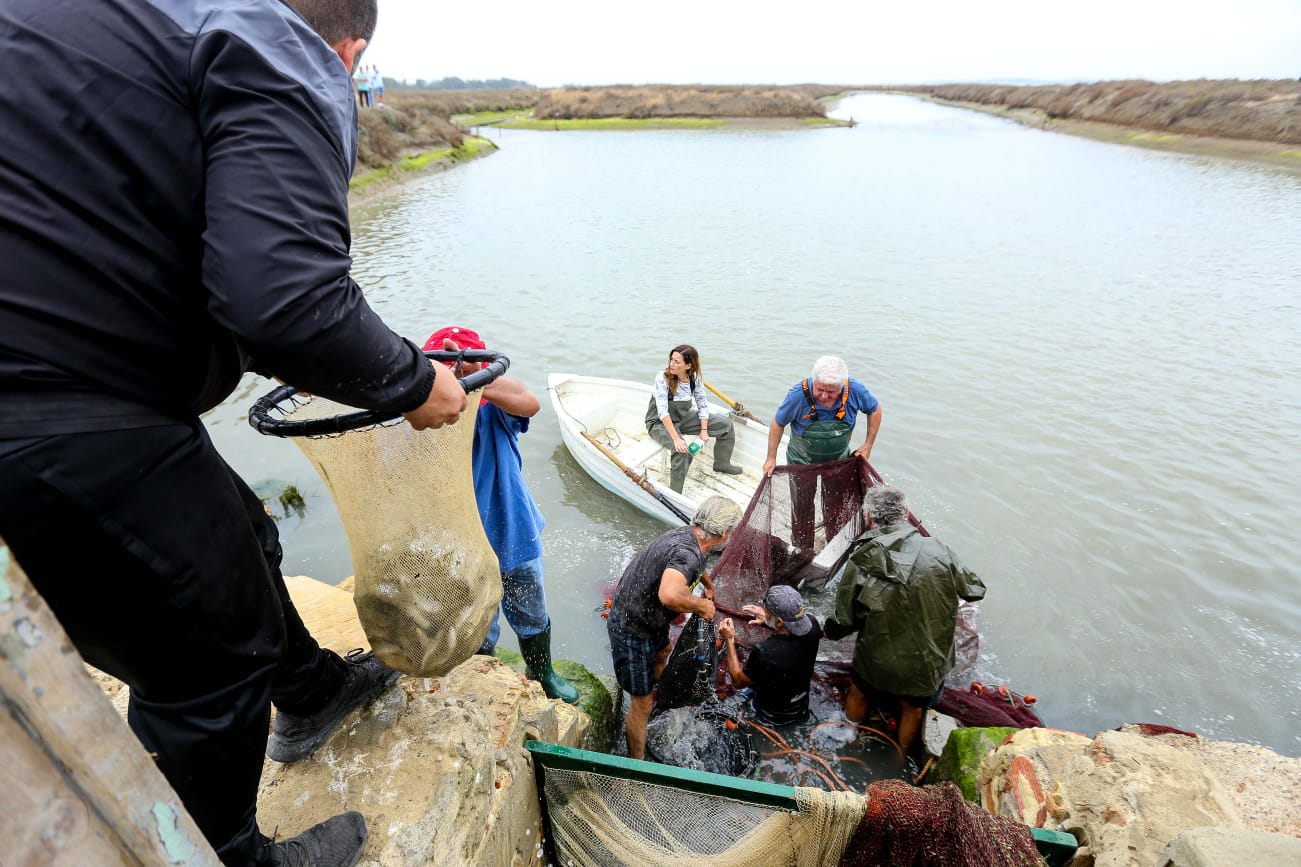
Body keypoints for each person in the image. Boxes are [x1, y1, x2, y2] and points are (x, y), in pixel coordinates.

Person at [0, 1, 468, 864]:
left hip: (71, 387)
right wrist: (412, 381)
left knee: (240, 534)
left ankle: (314, 690)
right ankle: (226, 851)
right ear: (352, 48)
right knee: (206, 666)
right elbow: (284, 303)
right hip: (57, 410)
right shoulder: (272, 43)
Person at [423, 325, 579, 705]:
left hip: (514, 531)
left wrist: (473, 382)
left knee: (532, 611)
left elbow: (529, 401)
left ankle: (542, 672)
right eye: (440, 368)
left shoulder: (493, 410)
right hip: (459, 546)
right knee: (477, 623)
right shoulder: (421, 420)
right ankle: (484, 672)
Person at [822, 486, 987, 754]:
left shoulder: (861, 558)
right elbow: (975, 589)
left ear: (868, 518)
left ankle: (850, 730)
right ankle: (900, 753)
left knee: (859, 692)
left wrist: (825, 631)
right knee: (913, 708)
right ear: (907, 514)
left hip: (876, 664)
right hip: (928, 664)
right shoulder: (938, 548)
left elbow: (843, 621)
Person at [607, 495, 743, 760]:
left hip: (648, 619)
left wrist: (707, 583)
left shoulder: (691, 537)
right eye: (732, 531)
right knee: (641, 704)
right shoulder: (687, 553)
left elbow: (692, 565)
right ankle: (636, 766)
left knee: (665, 649)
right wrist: (702, 607)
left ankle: (659, 693)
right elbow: (669, 595)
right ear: (724, 533)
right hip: (632, 629)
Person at [762, 356, 883, 552]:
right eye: (820, 389)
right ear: (814, 381)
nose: (825, 396)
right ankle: (803, 549)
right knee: (802, 505)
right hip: (802, 461)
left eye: (831, 392)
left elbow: (875, 410)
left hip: (838, 462)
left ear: (842, 387)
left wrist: (868, 445)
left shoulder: (855, 390)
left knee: (835, 505)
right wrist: (771, 457)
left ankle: (833, 544)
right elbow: (778, 423)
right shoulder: (797, 395)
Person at [718, 584, 823, 725]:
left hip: (770, 715)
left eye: (767, 612)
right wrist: (768, 620)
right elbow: (792, 636)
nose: (764, 613)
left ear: (779, 622)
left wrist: (729, 639)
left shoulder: (764, 651)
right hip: (800, 706)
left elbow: (738, 681)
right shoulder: (813, 625)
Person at [644, 344, 741, 493]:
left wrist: (704, 430)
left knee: (726, 425)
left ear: (688, 365)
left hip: (682, 417)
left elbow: (702, 405)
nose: (671, 364)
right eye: (671, 359)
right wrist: (676, 439)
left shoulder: (694, 378)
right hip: (658, 422)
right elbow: (663, 412)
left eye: (677, 361)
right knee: (682, 450)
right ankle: (676, 493)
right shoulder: (662, 377)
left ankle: (722, 463)